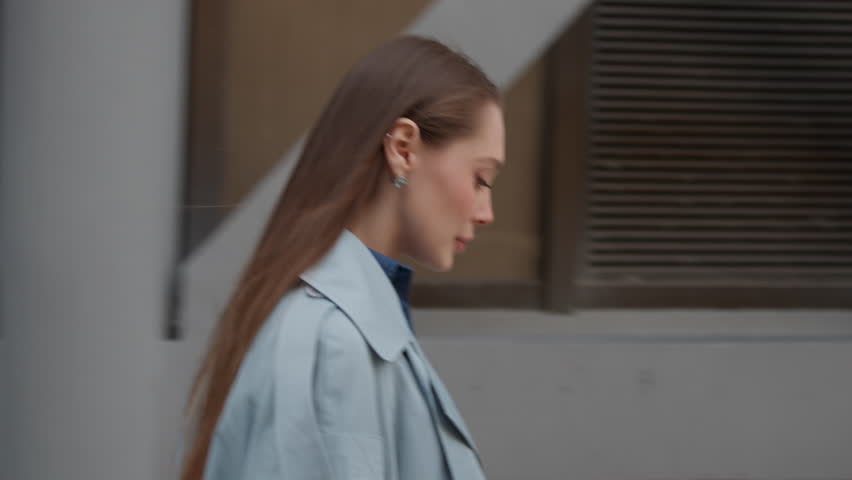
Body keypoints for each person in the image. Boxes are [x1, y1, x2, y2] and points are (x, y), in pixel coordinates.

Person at [180, 35, 505, 480]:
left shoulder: (344, 331)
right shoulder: (334, 345)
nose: (486, 213)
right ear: (404, 149)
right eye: (481, 178)